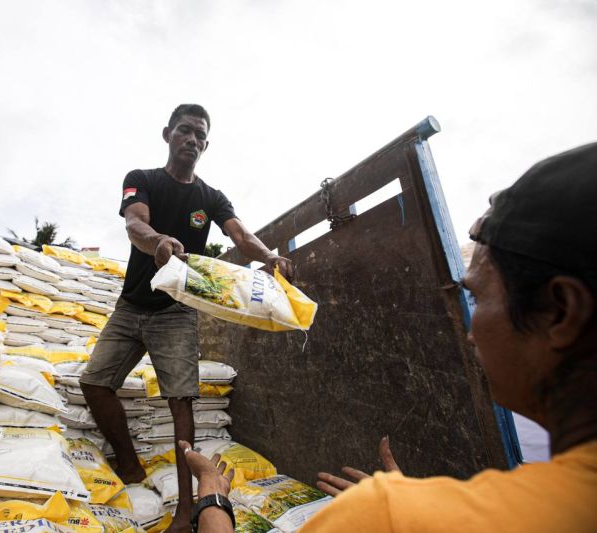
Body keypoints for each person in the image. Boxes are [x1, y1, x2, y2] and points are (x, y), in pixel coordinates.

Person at [182, 143, 597, 532]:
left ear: (561, 312)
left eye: (478, 295)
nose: (470, 333)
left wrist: (213, 494)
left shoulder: (387, 513)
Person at [79, 103, 293, 532]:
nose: (191, 140)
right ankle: (128, 461)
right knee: (94, 383)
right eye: (184, 131)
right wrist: (156, 241)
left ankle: (184, 511)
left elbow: (239, 234)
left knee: (181, 403)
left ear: (206, 145)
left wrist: (270, 256)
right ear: (167, 135)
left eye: (199, 135)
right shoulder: (141, 180)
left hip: (176, 313)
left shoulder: (210, 197)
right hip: (131, 305)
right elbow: (135, 224)